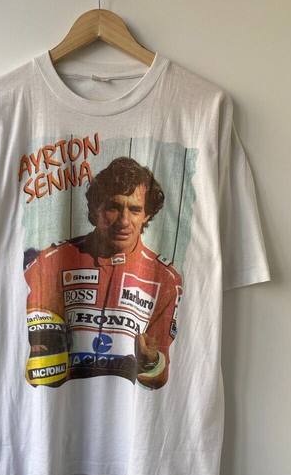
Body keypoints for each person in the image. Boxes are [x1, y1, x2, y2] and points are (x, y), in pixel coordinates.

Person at [23, 157, 183, 390]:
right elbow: (29, 358)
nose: (124, 221)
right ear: (95, 209)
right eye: (113, 207)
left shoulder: (166, 278)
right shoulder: (50, 262)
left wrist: (151, 362)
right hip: (61, 402)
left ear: (147, 215)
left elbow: (161, 376)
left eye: (135, 210)